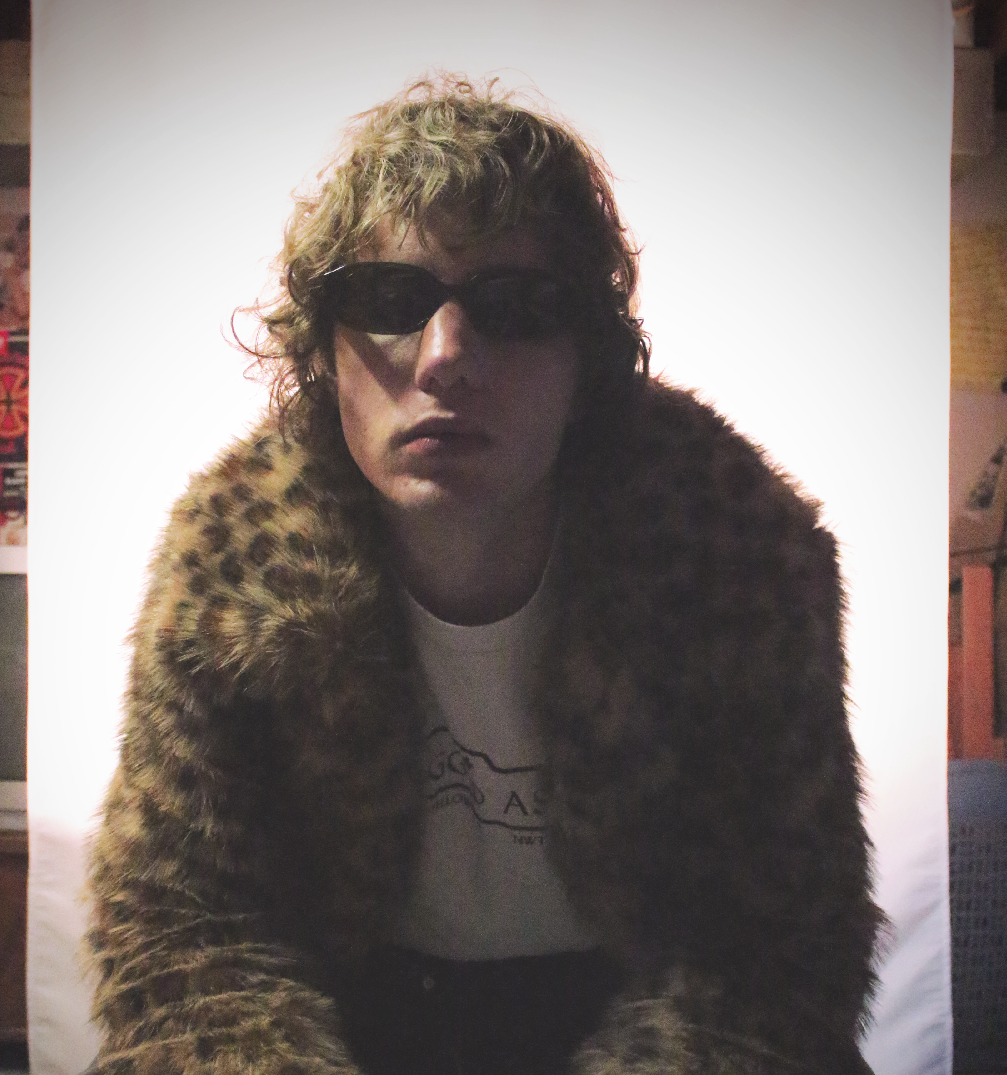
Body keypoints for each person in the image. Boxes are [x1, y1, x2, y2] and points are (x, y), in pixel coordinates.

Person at [87, 77, 883, 1075]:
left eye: (516, 308)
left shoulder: (730, 555)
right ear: (324, 351)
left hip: (650, 1005)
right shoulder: (232, 577)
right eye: (390, 301)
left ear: (586, 364)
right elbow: (176, 932)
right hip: (343, 1012)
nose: (447, 359)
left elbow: (781, 943)